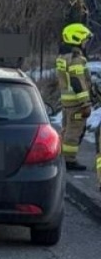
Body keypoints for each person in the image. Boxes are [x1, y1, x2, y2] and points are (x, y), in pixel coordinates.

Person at [55, 22, 97, 182]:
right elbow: (77, 81)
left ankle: (62, 156)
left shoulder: (62, 56)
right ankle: (69, 160)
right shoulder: (76, 59)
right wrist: (85, 103)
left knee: (66, 130)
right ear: (77, 38)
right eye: (84, 39)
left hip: (67, 102)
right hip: (76, 103)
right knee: (74, 131)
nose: (86, 43)